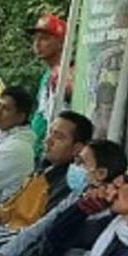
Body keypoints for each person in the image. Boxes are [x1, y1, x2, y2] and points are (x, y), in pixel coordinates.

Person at [0, 138, 127, 256]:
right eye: (75, 160)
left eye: (81, 162)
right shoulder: (77, 197)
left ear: (101, 174)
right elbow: (38, 229)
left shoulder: (106, 219)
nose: (74, 166)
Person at [0, 110, 93, 238]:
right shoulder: (42, 168)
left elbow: (37, 231)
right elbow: (9, 208)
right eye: (50, 133)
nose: (48, 140)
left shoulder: (68, 184)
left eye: (59, 137)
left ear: (77, 149)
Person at [30, 13, 73, 159]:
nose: (37, 43)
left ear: (62, 42)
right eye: (35, 38)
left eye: (44, 38)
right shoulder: (47, 74)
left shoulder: (67, 74)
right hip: (38, 151)